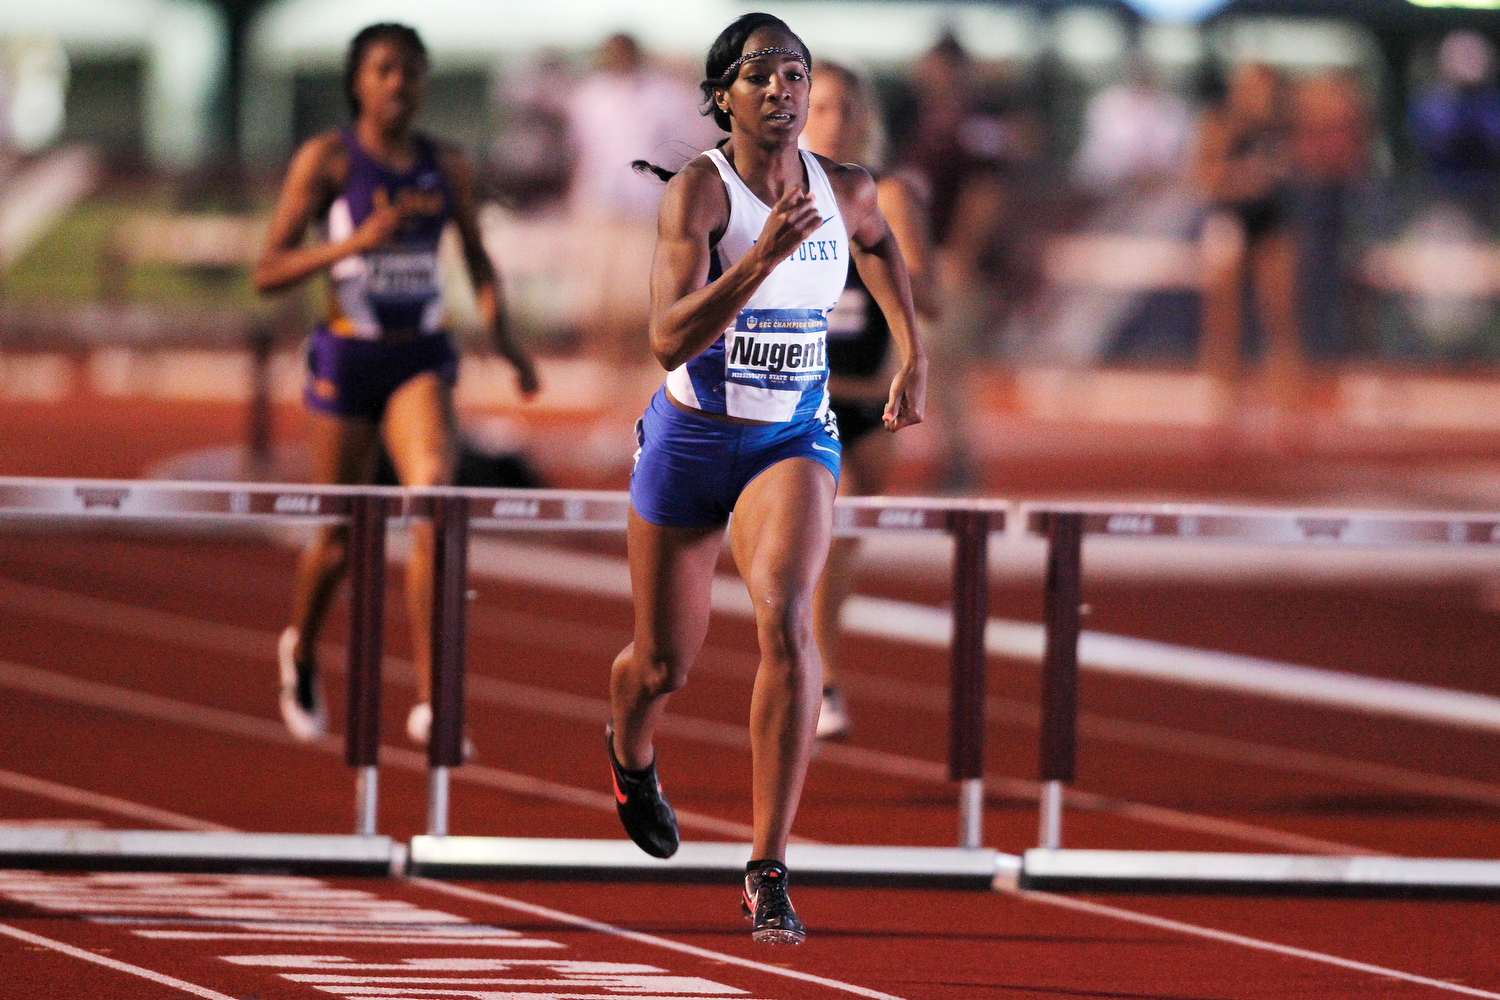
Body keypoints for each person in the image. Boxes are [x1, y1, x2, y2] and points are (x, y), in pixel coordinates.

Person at [610, 13, 925, 944]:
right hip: (691, 439)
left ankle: (767, 867)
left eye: (797, 74)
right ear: (724, 97)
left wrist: (913, 350)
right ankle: (630, 754)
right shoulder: (700, 197)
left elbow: (878, 243)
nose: (784, 91)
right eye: (763, 76)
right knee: (663, 661)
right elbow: (666, 337)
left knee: (788, 617)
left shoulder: (848, 188)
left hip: (790, 439)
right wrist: (758, 262)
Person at [253, 23, 539, 748]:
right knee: (341, 539)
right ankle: (302, 647)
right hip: (349, 356)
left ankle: (435, 698)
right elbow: (268, 270)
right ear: (358, 82)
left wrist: (508, 344)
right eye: (383, 70)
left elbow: (477, 260)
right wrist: (353, 244)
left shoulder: (445, 165)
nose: (398, 85)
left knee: (434, 499)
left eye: (410, 72)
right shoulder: (327, 159)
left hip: (420, 357)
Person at [798, 61, 939, 739]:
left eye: (845, 108)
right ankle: (818, 679)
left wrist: (900, 253)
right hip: (799, 393)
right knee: (834, 519)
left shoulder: (887, 195)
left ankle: (814, 660)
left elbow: (930, 303)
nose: (833, 121)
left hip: (868, 393)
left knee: (844, 544)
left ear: (865, 119)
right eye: (819, 107)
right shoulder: (775, 194)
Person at [1191, 62, 1303, 420]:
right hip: (1230, 220)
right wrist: (1242, 178)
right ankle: (1222, 392)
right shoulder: (1221, 123)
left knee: (1280, 312)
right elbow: (1201, 176)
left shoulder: (1280, 127)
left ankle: (1286, 395)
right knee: (1223, 311)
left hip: (1270, 222)